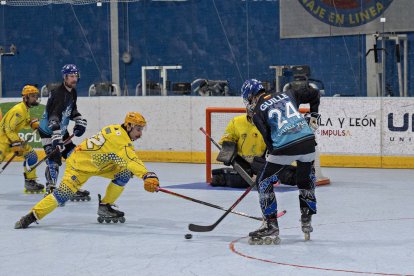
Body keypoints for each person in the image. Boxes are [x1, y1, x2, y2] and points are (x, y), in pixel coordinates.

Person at [14, 112, 160, 229]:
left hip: (99, 163)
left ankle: (105, 206)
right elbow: (130, 159)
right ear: (128, 126)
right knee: (62, 195)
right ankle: (32, 216)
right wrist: (147, 175)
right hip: (79, 166)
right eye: (138, 129)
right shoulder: (120, 141)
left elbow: (120, 157)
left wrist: (140, 173)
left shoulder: (116, 129)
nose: (140, 134)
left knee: (125, 172)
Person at [240, 79, 320, 244]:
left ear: (250, 98)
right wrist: (313, 115)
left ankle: (271, 226)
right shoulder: (289, 93)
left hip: (285, 146)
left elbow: (270, 141)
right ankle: (307, 217)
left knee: (264, 181)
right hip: (308, 141)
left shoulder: (256, 113)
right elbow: (314, 93)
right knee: (305, 179)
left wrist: (267, 165)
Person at [38, 64, 90, 201]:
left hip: (61, 129)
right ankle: (50, 187)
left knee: (74, 156)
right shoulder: (57, 93)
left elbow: (72, 110)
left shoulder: (73, 91)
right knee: (54, 160)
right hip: (48, 131)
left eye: (75, 76)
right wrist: (56, 136)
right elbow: (53, 116)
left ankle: (71, 186)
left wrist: (79, 120)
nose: (74, 79)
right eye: (71, 76)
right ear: (65, 77)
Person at [212, 109, 297, 188]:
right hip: (242, 162)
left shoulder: (272, 124)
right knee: (243, 180)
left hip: (262, 160)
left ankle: (301, 175)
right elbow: (227, 139)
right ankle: (220, 176)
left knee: (289, 176)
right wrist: (227, 153)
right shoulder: (236, 122)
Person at [0, 85, 44, 193]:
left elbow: (23, 122)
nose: (35, 98)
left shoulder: (25, 109)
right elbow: (8, 128)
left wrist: (32, 123)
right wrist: (16, 144)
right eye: (33, 96)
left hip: (12, 139)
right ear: (25, 97)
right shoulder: (18, 110)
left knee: (32, 155)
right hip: (2, 140)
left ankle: (30, 181)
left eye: (36, 96)